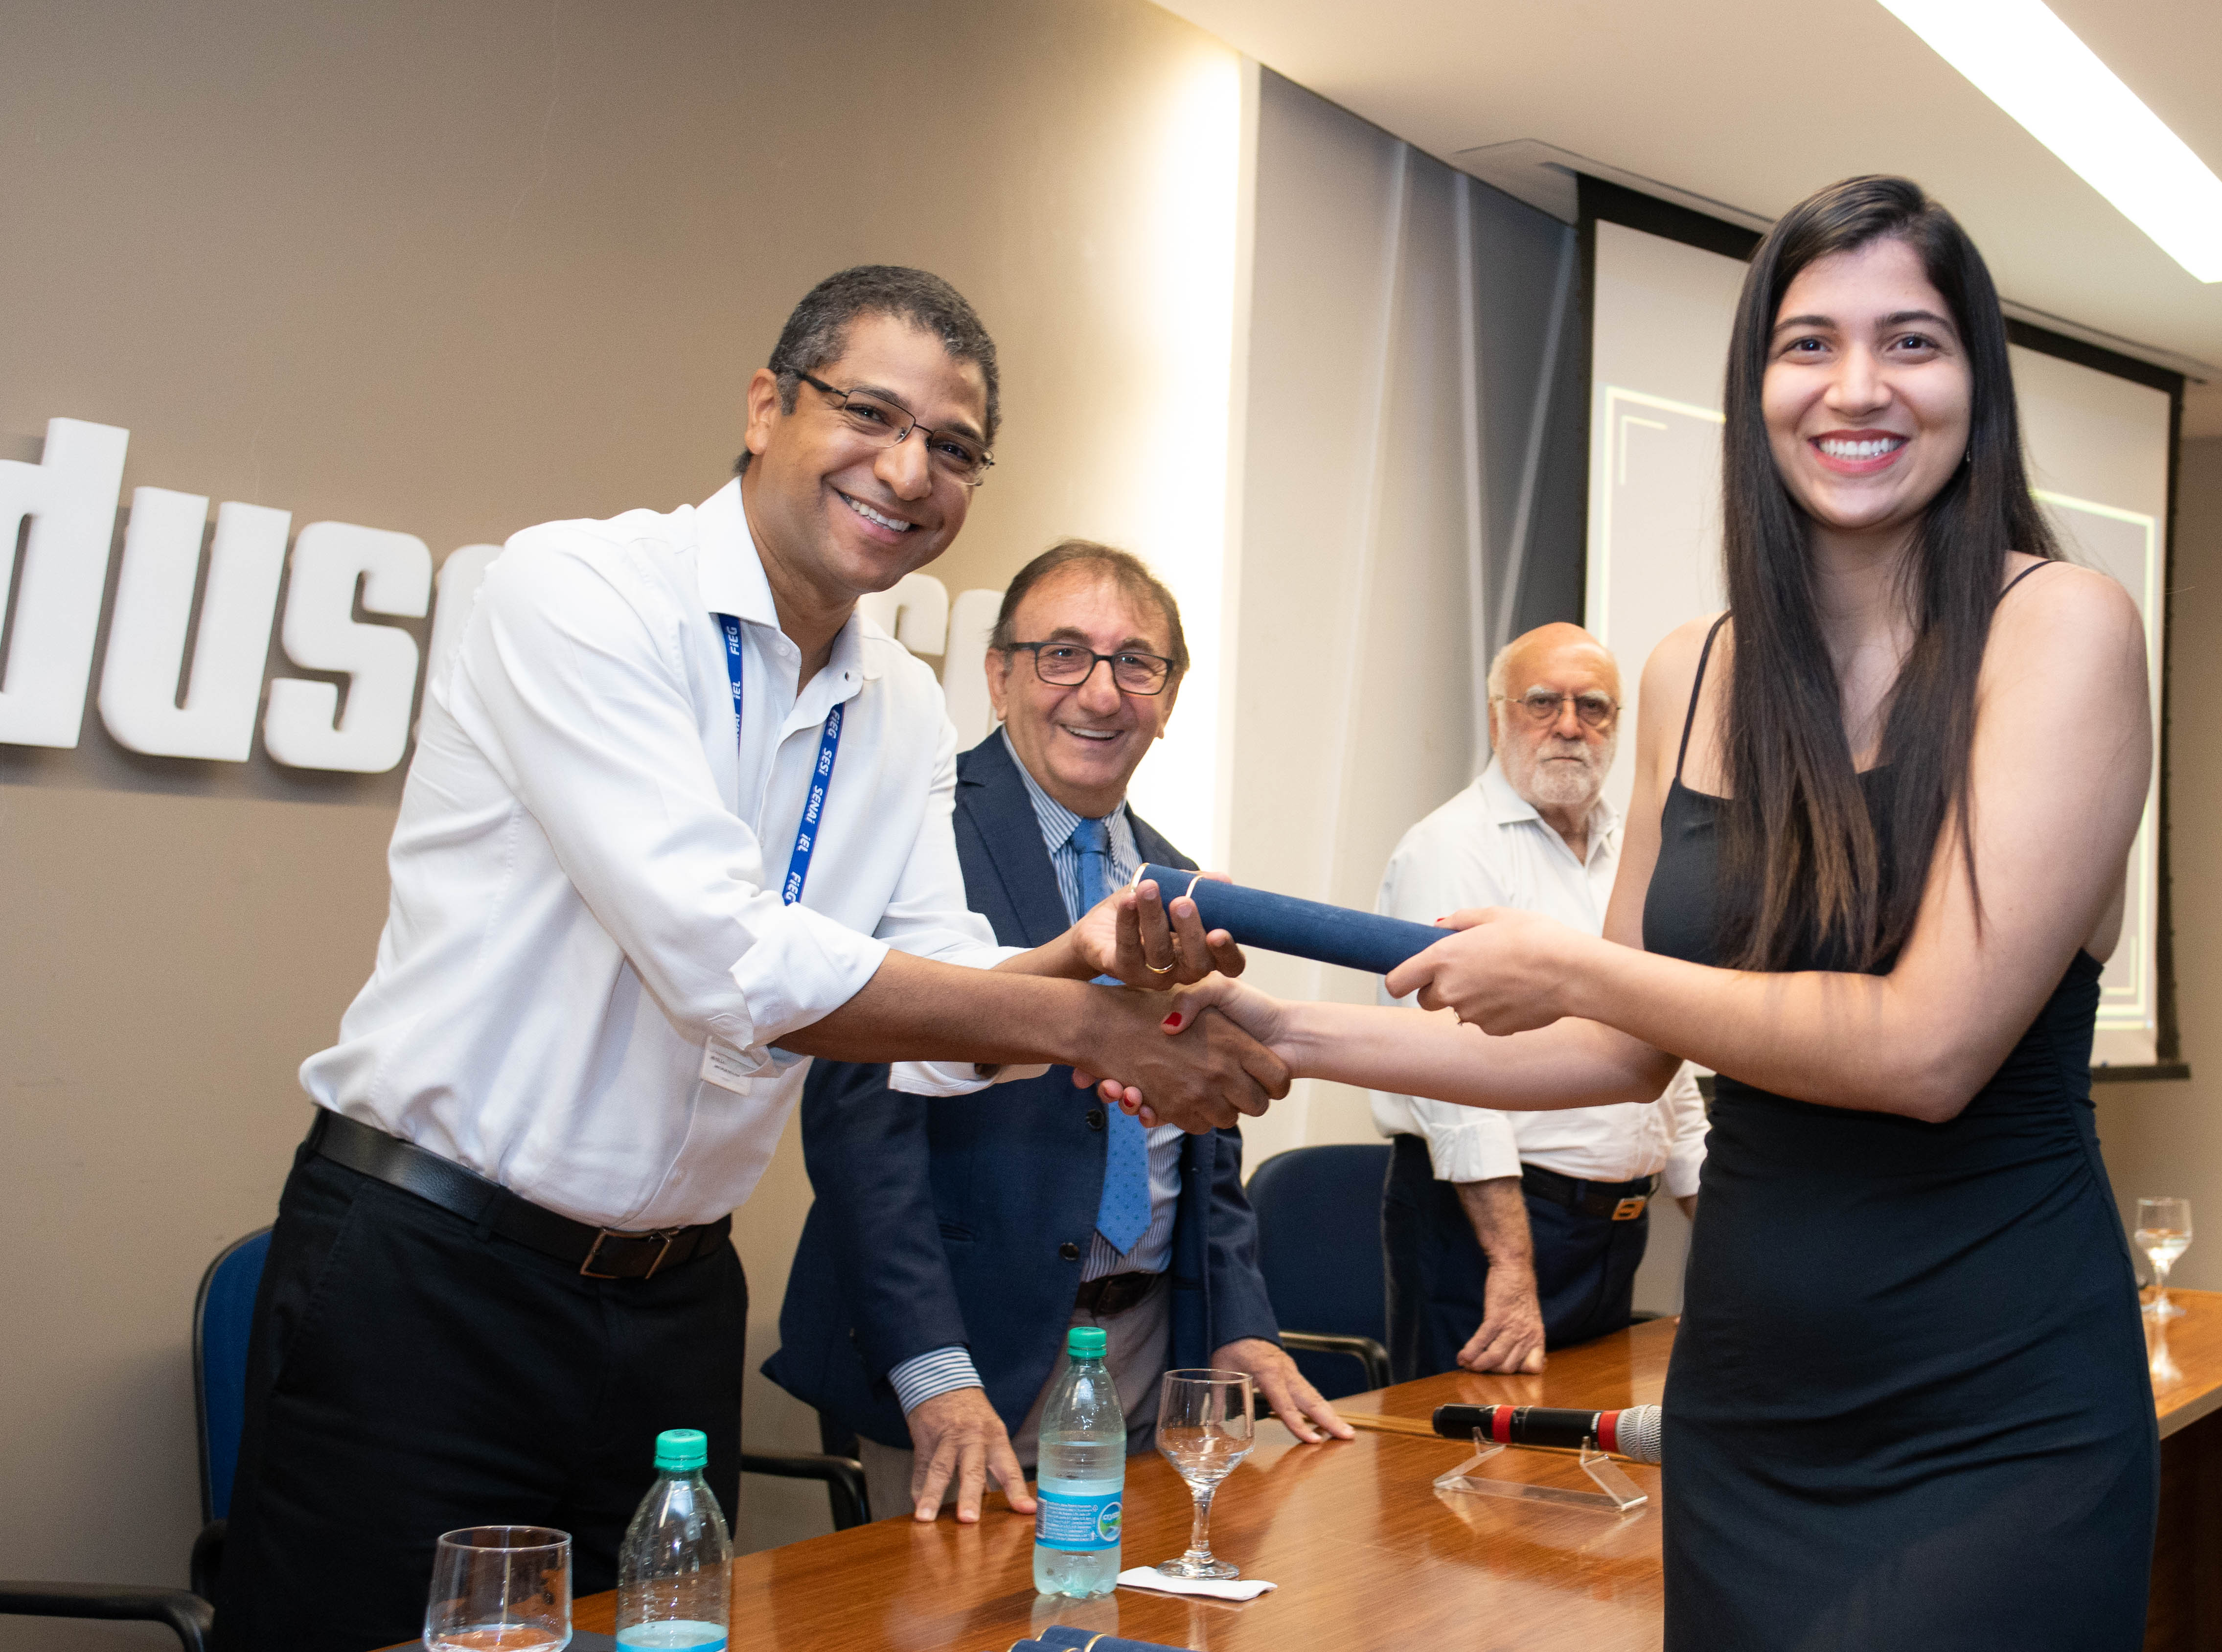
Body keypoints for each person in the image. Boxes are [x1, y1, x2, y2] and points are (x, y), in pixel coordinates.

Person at [1122, 177, 2160, 1647]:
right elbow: (1615, 1057)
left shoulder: (2061, 627)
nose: (1857, 386)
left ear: (1975, 383)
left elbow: (1928, 1047)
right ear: (1756, 388)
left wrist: (1575, 967)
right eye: (1809, 344)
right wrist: (1281, 1028)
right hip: (1750, 1403)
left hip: (1996, 1414)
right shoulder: (1697, 667)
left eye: (1912, 342)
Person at [214, 268, 1274, 1652]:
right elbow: (727, 962)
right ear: (768, 405)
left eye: (954, 447)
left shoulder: (898, 701)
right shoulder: (580, 591)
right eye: (870, 414)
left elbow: (941, 1012)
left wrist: (1079, 961)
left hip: (673, 1303)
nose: (910, 471)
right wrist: (1086, 1029)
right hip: (436, 1275)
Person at [768, 539, 1353, 1527]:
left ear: (1170, 698)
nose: (1102, 692)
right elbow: (862, 1130)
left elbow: (1206, 1142)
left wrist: (1240, 1325)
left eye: (1137, 664)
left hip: (1149, 1356)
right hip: (967, 1361)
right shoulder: (915, 835)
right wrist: (936, 1371)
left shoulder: (1180, 881)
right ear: (999, 677)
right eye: (1064, 654)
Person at [1368, 622, 1706, 1380]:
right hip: (1487, 1231)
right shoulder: (1452, 847)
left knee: (1576, 1447)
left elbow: (1665, 1039)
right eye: (1543, 702)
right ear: (1498, 718)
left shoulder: (1634, 852)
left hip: (1613, 1234)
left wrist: (1717, 1232)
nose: (1570, 727)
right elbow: (1448, 1074)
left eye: (1594, 707)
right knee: (1465, 1447)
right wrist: (1512, 1263)